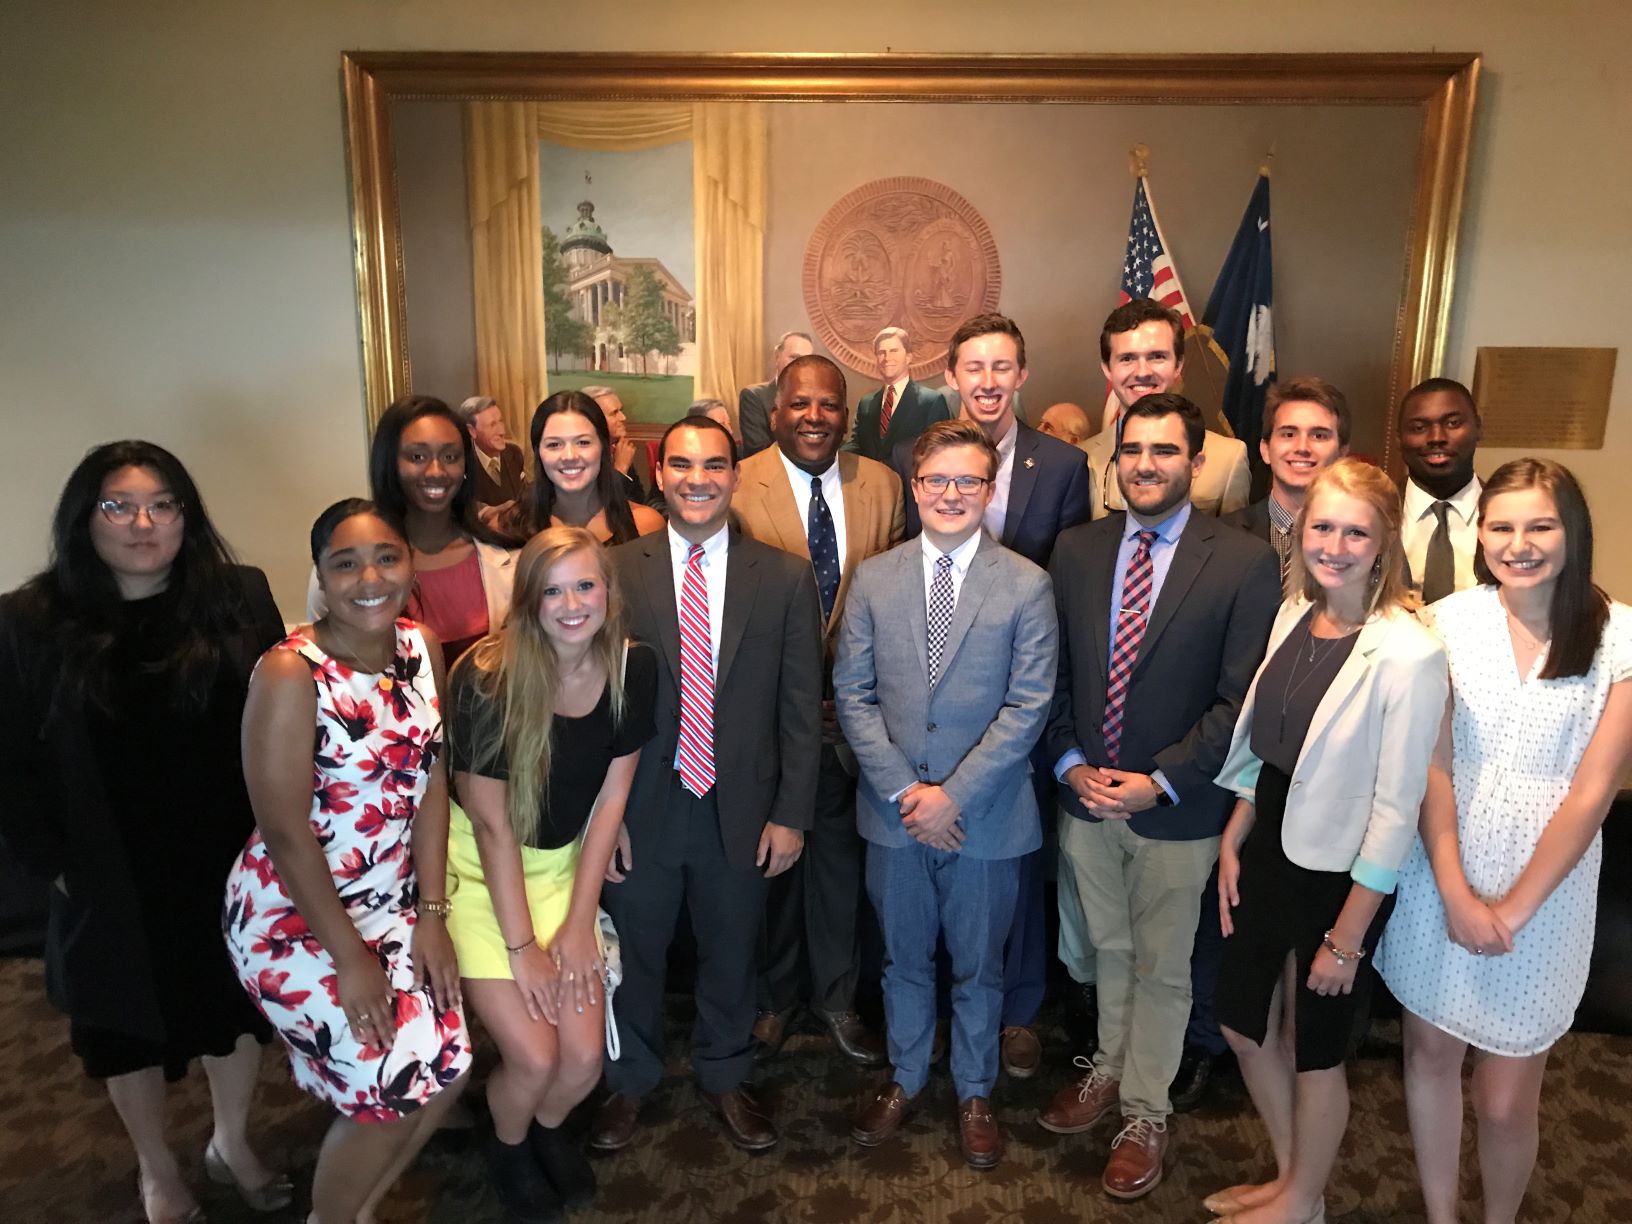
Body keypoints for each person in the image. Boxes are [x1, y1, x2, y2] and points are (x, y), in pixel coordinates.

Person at [0, 441, 290, 1224]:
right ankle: (156, 1168)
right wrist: (51, 865)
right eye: (118, 506)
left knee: (234, 1012)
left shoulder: (236, 596)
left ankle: (231, 1141)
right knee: (121, 1026)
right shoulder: (29, 620)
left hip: (226, 854)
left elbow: (280, 718)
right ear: (83, 518)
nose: (143, 523)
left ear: (185, 517)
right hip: (107, 866)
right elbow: (9, 758)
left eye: (163, 505)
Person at [1377, 459, 1632, 1224]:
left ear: (1572, 531)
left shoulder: (1619, 635)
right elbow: (1434, 763)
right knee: (1428, 1057)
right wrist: (1455, 890)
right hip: (1443, 868)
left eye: (1540, 526)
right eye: (1502, 527)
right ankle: (1440, 1215)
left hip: (1547, 894)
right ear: (1480, 534)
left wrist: (1512, 909)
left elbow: (1592, 793)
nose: (1519, 544)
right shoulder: (1447, 622)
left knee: (1505, 1099)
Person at [1038, 393, 1279, 1202]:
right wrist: (1070, 762)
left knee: (1163, 966)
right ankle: (1108, 1068)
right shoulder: (1076, 550)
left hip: (1178, 807)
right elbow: (1055, 673)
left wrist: (1161, 781)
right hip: (1086, 796)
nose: (1145, 464)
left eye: (1164, 450)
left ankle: (1147, 1113)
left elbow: (1240, 699)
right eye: (1133, 450)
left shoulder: (1242, 561)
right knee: (1106, 949)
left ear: (1196, 462)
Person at [1206, 458, 1448, 1224]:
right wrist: (1237, 829)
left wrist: (1347, 940)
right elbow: (1271, 744)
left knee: (1313, 1048)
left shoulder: (1410, 652)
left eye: (1355, 533)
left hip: (1341, 873)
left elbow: (1397, 808)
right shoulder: (1293, 614)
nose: (1334, 546)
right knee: (1242, 1024)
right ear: (1300, 529)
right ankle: (1293, 1184)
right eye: (1322, 527)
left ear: (1384, 544)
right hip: (1268, 843)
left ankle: (1302, 1197)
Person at [224, 499, 472, 1224]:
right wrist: (351, 959)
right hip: (294, 912)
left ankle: (359, 1207)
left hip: (391, 896)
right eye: (346, 563)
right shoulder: (290, 672)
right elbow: (284, 832)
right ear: (321, 577)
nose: (370, 578)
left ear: (410, 564)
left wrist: (432, 916)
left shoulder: (421, 646)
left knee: (451, 1063)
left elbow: (430, 782)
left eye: (387, 557)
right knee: (391, 1084)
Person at [590, 416, 823, 1153]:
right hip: (639, 807)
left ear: (735, 476)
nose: (699, 479)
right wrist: (602, 818)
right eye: (683, 465)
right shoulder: (615, 570)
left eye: (715, 465)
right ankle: (629, 1081)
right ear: (659, 475)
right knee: (634, 952)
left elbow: (800, 707)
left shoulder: (784, 577)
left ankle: (725, 1073)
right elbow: (591, 702)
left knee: (732, 949)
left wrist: (792, 814)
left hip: (743, 806)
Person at [835, 419, 1057, 1170]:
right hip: (895, 816)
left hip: (986, 819)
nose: (952, 493)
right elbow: (853, 696)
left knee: (978, 968)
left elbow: (1028, 706)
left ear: (989, 490)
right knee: (901, 962)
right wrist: (909, 792)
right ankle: (904, 1076)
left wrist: (952, 796)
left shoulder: (1027, 584)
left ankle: (974, 1091)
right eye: (938, 480)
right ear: (915, 486)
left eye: (968, 480)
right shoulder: (874, 577)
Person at [896, 312, 1091, 1080]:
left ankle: (1016, 1012)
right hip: (936, 701)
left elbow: (1068, 581)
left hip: (1021, 695)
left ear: (1021, 375)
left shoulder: (1063, 465)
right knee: (937, 868)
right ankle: (942, 1016)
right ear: (952, 375)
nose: (987, 381)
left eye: (1001, 366)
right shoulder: (919, 458)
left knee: (1014, 857)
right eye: (973, 367)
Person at [444, 527, 656, 1221]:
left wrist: (576, 925)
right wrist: (521, 949)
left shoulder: (633, 668)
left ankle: (546, 1128)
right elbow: (492, 829)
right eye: (552, 591)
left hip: (562, 871)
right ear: (528, 600)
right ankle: (507, 1145)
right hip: (481, 877)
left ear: (608, 591)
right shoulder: (486, 678)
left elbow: (611, 801)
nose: (572, 605)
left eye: (585, 585)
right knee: (535, 1057)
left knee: (584, 1062)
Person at [733, 353, 905, 1066]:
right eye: (800, 404)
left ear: (846, 414)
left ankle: (837, 999)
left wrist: (858, 700)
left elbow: (897, 601)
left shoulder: (884, 485)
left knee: (840, 867)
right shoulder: (737, 483)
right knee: (771, 866)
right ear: (776, 411)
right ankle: (774, 1000)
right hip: (767, 720)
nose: (814, 417)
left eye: (829, 404)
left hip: (855, 721)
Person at [309, 395, 519, 667]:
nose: (436, 471)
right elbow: (325, 666)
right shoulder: (343, 565)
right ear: (390, 463)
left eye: (450, 457)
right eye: (417, 457)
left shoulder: (507, 559)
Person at [1081, 298, 1252, 519]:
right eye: (1127, 358)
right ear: (1107, 369)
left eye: (1157, 357)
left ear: (1178, 364)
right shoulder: (1080, 459)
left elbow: (1232, 539)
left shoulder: (1229, 459)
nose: (1143, 372)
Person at [1223, 377, 1351, 583]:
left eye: (1319, 436)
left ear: (1342, 453)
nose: (1302, 447)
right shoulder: (1222, 536)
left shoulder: (1370, 540)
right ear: (1265, 450)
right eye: (1289, 434)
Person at [511, 391, 665, 544]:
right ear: (538, 452)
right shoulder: (512, 526)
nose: (569, 456)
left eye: (583, 442)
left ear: (603, 447)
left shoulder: (646, 524)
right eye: (554, 444)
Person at [1397, 377, 1484, 603]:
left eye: (1453, 423)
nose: (1437, 438)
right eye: (1419, 428)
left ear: (1478, 428)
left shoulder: (1509, 513)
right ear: (1399, 438)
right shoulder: (1373, 510)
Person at [845, 326, 950, 462]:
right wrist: (833, 457)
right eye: (881, 352)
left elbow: (940, 452)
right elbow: (855, 444)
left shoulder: (931, 401)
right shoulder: (866, 403)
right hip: (871, 475)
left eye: (894, 351)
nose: (887, 358)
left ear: (908, 357)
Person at [738, 330, 815, 458]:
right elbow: (758, 450)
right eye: (794, 357)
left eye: (806, 360)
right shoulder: (754, 396)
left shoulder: (816, 399)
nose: (800, 365)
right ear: (777, 356)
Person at [458, 394, 530, 526]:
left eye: (501, 421)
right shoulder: (461, 462)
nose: (502, 431)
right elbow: (460, 504)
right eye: (492, 425)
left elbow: (525, 493)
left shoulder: (514, 453)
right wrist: (489, 512)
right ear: (471, 431)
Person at [581, 385, 648, 503]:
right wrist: (621, 469)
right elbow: (600, 507)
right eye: (614, 413)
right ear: (593, 420)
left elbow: (639, 500)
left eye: (621, 410)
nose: (623, 417)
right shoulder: (583, 457)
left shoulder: (618, 449)